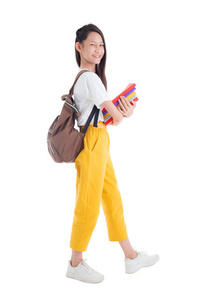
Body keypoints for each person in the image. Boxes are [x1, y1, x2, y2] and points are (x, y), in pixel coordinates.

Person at [66, 24, 159, 283]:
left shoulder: (90, 79)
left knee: (112, 198)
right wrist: (124, 112)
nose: (98, 49)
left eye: (101, 45)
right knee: (88, 202)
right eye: (92, 44)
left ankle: (131, 256)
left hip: (99, 139)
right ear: (79, 47)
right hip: (93, 142)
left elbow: (104, 115)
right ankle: (75, 262)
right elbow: (115, 117)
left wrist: (119, 113)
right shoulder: (89, 77)